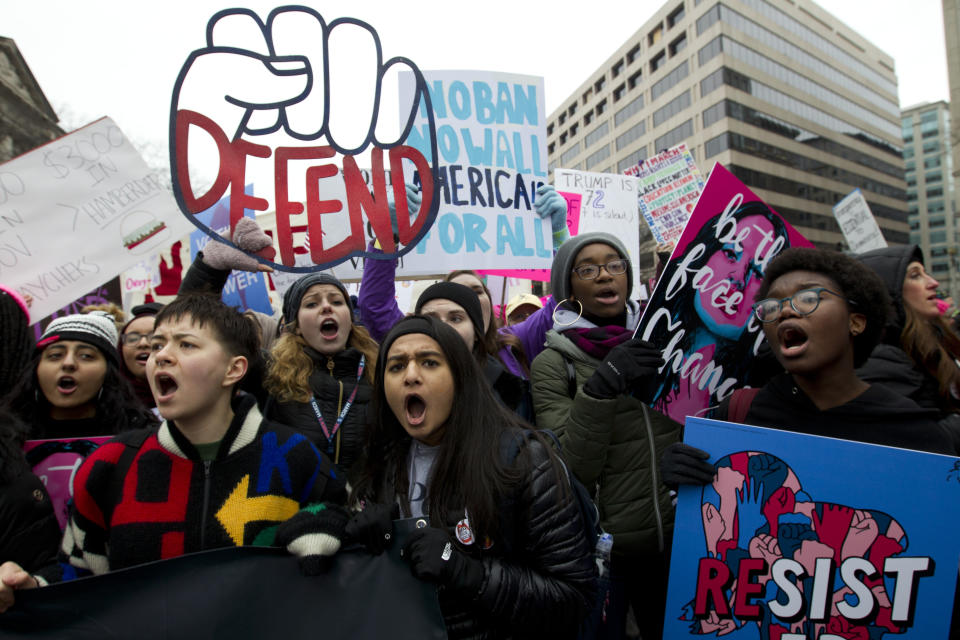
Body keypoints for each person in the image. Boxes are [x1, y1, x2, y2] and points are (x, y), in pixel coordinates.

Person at [0, 294, 349, 609]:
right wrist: (32, 586)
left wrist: (332, 526)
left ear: (234, 369)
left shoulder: (295, 457)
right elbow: (77, 580)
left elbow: (355, 548)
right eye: (156, 346)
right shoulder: (109, 466)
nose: (161, 356)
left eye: (186, 345)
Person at [347, 315, 596, 639]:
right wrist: (364, 545)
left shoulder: (523, 461)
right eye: (395, 367)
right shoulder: (377, 466)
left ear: (460, 377)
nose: (410, 376)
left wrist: (469, 573)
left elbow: (573, 596)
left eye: (429, 363)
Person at [530, 231, 681, 640]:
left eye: (615, 265)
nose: (604, 276)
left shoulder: (666, 342)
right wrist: (602, 387)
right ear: (569, 287)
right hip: (605, 559)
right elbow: (572, 467)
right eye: (588, 268)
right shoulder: (552, 363)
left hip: (676, 546)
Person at [357, 183, 567, 380]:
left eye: (476, 291)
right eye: (456, 294)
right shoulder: (416, 342)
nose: (467, 302)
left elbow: (564, 305)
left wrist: (558, 237)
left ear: (490, 303)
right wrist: (387, 235)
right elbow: (376, 307)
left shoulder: (515, 343)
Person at [643, 200, 792, 423]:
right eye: (731, 254)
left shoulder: (775, 392)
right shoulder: (636, 365)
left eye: (758, 273)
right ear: (703, 255)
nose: (738, 279)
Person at [263, 273, 378, 472]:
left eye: (336, 301)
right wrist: (211, 268)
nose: (327, 307)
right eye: (311, 304)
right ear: (296, 326)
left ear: (350, 319)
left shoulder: (379, 372)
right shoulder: (270, 372)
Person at [1, 312, 156, 440]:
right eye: (55, 355)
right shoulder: (6, 436)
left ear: (109, 374)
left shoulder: (143, 437)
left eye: (86, 356)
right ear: (36, 369)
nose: (68, 363)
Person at [856, 245, 960, 428]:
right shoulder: (882, 360)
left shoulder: (930, 343)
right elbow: (925, 439)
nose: (933, 282)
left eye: (925, 273)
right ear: (888, 291)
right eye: (915, 275)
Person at [414, 281, 526, 413]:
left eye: (455, 319)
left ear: (476, 333)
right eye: (431, 319)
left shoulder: (508, 392)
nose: (443, 327)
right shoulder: (402, 381)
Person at [117, 302, 164, 410]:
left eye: (154, 337)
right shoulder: (105, 401)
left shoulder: (195, 398)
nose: (143, 343)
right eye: (133, 338)